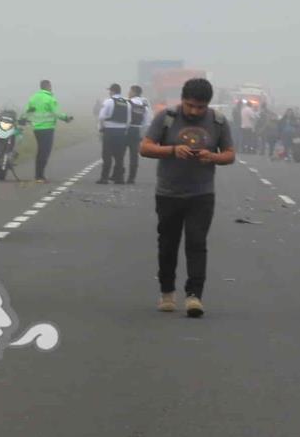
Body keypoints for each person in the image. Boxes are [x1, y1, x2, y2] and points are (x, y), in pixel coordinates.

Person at [139, 78, 236, 318]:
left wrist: (212, 157)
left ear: (208, 105)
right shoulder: (166, 118)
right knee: (168, 245)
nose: (194, 111)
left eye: (200, 107)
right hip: (168, 193)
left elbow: (230, 154)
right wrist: (172, 150)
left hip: (201, 194)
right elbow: (145, 147)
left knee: (196, 244)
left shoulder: (219, 122)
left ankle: (194, 296)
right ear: (182, 100)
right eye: (190, 105)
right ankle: (167, 293)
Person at [24, 80, 73, 183]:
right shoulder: (49, 98)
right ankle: (40, 176)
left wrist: (22, 119)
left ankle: (38, 175)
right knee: (45, 152)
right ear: (48, 86)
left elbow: (27, 110)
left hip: (36, 129)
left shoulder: (33, 97)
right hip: (47, 128)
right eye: (50, 86)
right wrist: (66, 118)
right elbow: (57, 113)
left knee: (40, 151)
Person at [97, 83, 131, 184]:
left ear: (112, 91)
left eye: (110, 91)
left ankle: (104, 178)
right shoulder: (127, 103)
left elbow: (101, 117)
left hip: (109, 131)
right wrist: (124, 130)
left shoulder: (108, 101)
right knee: (119, 156)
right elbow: (129, 120)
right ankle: (119, 178)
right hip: (121, 132)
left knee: (107, 155)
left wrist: (101, 128)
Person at [126, 85, 151, 185]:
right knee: (134, 155)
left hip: (127, 129)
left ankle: (118, 174)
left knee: (119, 153)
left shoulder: (128, 102)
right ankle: (131, 178)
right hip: (137, 130)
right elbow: (147, 120)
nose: (128, 93)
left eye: (130, 91)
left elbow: (126, 117)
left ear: (134, 92)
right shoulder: (144, 104)